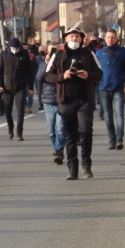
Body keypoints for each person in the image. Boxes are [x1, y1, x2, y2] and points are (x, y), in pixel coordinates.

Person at [45, 24, 103, 180]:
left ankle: (86, 163)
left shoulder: (88, 54)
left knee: (85, 131)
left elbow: (99, 73)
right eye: (71, 36)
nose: (74, 39)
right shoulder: (58, 55)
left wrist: (88, 75)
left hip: (84, 99)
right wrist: (62, 76)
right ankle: (72, 168)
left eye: (77, 36)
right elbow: (47, 76)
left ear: (82, 39)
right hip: (66, 100)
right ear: (65, 38)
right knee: (70, 135)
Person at [95, 30, 125, 150]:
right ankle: (112, 140)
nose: (110, 39)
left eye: (113, 37)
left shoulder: (122, 51)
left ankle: (120, 139)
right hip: (104, 88)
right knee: (108, 116)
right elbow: (95, 68)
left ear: (117, 39)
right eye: (108, 37)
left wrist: (123, 79)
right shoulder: (99, 52)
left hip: (118, 88)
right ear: (105, 38)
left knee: (119, 114)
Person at [0, 38, 33, 141]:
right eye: (13, 48)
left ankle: (19, 132)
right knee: (7, 110)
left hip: (20, 87)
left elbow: (29, 72)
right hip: (7, 88)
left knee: (20, 111)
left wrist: (30, 87)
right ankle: (10, 129)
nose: (14, 50)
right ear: (9, 47)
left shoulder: (24, 54)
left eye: (16, 48)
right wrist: (0, 85)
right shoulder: (4, 54)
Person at [38, 50, 65, 164]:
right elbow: (39, 78)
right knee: (51, 131)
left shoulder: (63, 65)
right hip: (48, 101)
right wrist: (46, 64)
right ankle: (56, 148)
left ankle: (59, 151)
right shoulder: (43, 65)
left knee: (60, 128)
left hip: (61, 100)